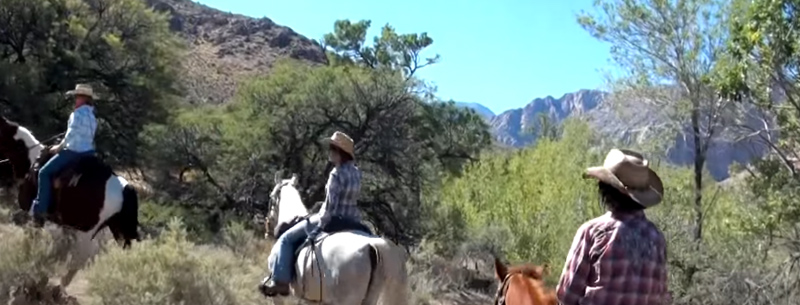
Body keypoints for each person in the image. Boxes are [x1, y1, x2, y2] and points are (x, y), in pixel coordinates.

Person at [556, 148, 670, 305]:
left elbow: (567, 294)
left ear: (606, 190)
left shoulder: (593, 232)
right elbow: (660, 296)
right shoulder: (657, 238)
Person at [259, 131, 363, 297]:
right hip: (353, 220)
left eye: (332, 148)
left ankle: (280, 282)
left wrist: (319, 225)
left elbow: (330, 207)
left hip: (333, 220)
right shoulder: (357, 173)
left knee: (286, 239)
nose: (329, 152)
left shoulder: (336, 174)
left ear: (339, 152)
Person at [30, 84, 99, 225]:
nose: (76, 99)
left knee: (43, 172)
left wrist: (59, 147)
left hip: (74, 152)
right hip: (89, 153)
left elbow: (71, 134)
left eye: (78, 96)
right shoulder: (92, 117)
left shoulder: (77, 114)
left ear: (83, 98)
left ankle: (40, 210)